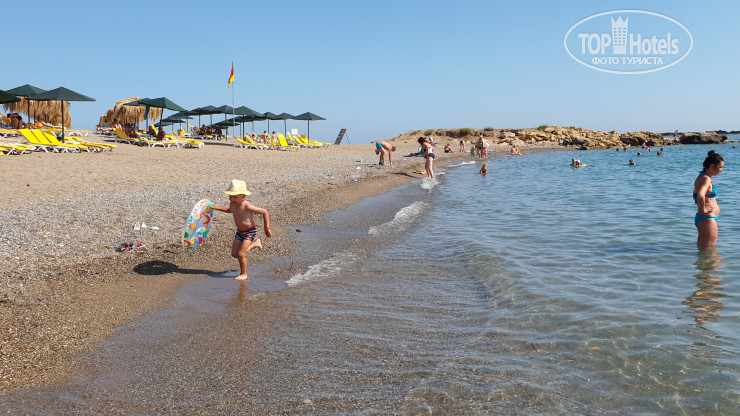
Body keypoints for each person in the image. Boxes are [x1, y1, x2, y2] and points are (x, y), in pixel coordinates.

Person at [212, 180, 272, 280]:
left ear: (243, 196)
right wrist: (216, 208)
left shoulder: (247, 206)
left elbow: (264, 212)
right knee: (234, 254)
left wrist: (266, 228)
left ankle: (244, 274)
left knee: (240, 254)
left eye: (235, 197)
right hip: (239, 232)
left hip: (250, 231)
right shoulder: (232, 204)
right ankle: (256, 244)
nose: (232, 199)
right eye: (230, 196)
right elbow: (229, 210)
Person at [694, 150, 724, 249]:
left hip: (704, 218)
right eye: (721, 167)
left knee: (703, 249)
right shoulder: (706, 179)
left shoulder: (703, 176)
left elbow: (696, 193)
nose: (721, 170)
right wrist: (703, 209)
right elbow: (700, 195)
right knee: (710, 251)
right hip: (707, 219)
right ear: (712, 166)